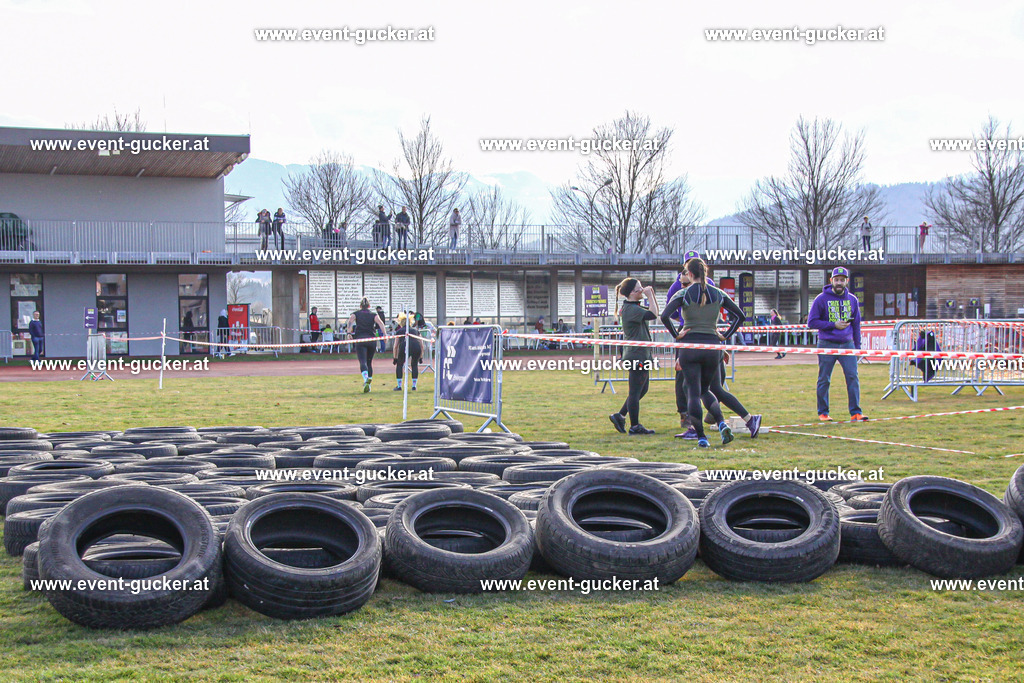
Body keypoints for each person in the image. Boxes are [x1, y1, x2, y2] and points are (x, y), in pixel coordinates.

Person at [663, 259, 761, 447]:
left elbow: (665, 315)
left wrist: (677, 335)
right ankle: (722, 423)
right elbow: (740, 316)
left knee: (693, 392)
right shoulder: (719, 293)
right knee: (706, 390)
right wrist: (725, 336)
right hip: (712, 347)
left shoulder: (683, 293)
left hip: (690, 346)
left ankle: (701, 437)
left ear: (689, 274)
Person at [808, 266, 867, 422]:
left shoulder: (853, 300)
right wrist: (833, 325)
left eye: (842, 280)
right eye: (836, 280)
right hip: (826, 343)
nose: (839, 282)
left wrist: (858, 347)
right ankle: (823, 413)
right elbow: (812, 322)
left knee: (853, 377)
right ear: (831, 280)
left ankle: (856, 412)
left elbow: (856, 325)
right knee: (824, 379)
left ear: (847, 281)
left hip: (847, 344)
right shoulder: (821, 299)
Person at [609, 278, 659, 435]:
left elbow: (653, 312)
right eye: (639, 288)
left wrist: (652, 297)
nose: (642, 290)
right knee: (635, 391)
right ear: (631, 293)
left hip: (640, 353)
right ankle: (635, 426)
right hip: (636, 355)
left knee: (642, 389)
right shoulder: (631, 309)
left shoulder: (633, 307)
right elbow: (653, 314)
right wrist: (650, 296)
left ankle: (620, 415)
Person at [348, 298, 387, 392]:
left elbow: (350, 321)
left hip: (361, 339)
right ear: (369, 306)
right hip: (371, 340)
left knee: (363, 362)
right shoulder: (374, 315)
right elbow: (381, 323)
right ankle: (369, 386)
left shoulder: (356, 314)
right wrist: (385, 335)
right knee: (369, 362)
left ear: (360, 306)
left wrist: (348, 333)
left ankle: (366, 380)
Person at [392, 313, 423, 391]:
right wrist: (421, 356)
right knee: (414, 364)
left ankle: (399, 386)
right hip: (416, 346)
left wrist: (395, 358)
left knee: (399, 365)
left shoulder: (399, 331)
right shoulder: (416, 331)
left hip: (404, 345)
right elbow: (422, 344)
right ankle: (414, 386)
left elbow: (395, 346)